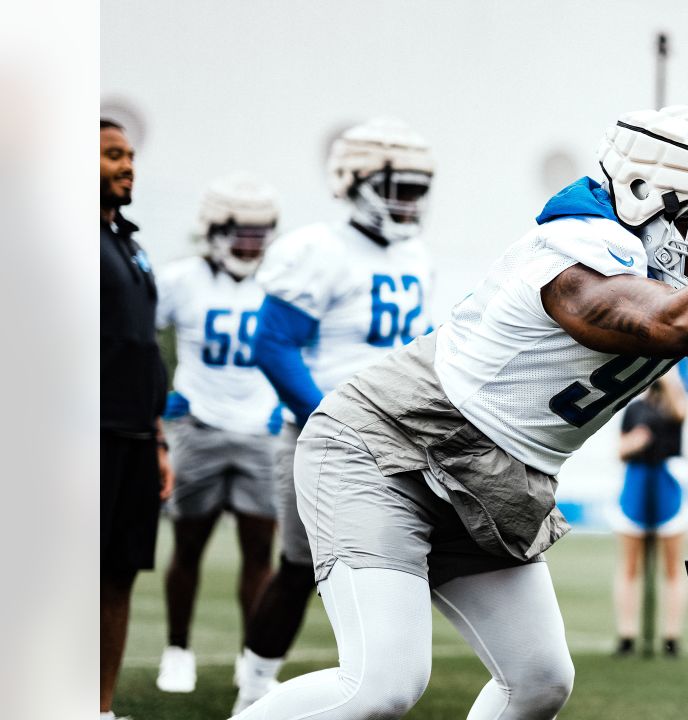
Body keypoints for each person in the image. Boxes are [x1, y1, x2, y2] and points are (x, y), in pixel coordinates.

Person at [229, 104, 688, 719]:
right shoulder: (572, 248)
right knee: (381, 684)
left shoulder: (661, 275)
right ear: (638, 194)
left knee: (538, 683)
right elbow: (670, 325)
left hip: (490, 480)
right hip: (390, 451)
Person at [231, 118, 438, 714]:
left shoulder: (415, 254)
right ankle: (253, 689)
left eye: (418, 189)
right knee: (298, 568)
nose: (408, 202)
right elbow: (271, 344)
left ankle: (380, 675)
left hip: (401, 435)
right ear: (356, 180)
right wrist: (329, 418)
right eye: (398, 187)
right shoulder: (315, 249)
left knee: (408, 568)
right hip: (322, 437)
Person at [153, 175, 284, 693]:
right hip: (199, 427)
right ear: (213, 229)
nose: (250, 243)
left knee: (259, 552)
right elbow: (138, 337)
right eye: (240, 231)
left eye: (259, 232)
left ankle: (250, 658)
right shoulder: (180, 280)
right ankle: (178, 649)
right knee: (188, 545)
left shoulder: (280, 280)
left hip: (260, 431)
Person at [100, 118, 173, 720]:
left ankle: (96, 707)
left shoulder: (130, 244)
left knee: (118, 573)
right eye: (111, 155)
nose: (127, 165)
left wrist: (156, 439)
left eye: (128, 155)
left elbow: (141, 347)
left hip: (132, 436)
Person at [610, 371, 688, 658]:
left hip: (668, 485)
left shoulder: (675, 403)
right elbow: (620, 449)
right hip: (637, 483)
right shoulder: (635, 408)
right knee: (630, 565)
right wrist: (633, 442)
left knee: (672, 566)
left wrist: (670, 376)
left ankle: (672, 636)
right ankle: (627, 635)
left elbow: (680, 411)